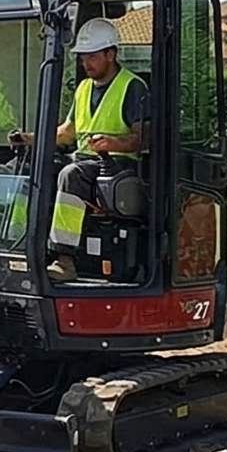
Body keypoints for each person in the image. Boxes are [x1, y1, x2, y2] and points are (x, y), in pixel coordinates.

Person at [13, 17, 147, 276]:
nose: (86, 63)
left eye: (92, 57)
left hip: (118, 164)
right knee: (35, 168)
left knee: (70, 175)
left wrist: (113, 143)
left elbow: (145, 138)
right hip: (85, 160)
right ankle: (19, 243)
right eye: (83, 57)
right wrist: (29, 138)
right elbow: (67, 133)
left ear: (111, 54)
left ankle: (65, 260)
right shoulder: (84, 88)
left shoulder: (132, 87)